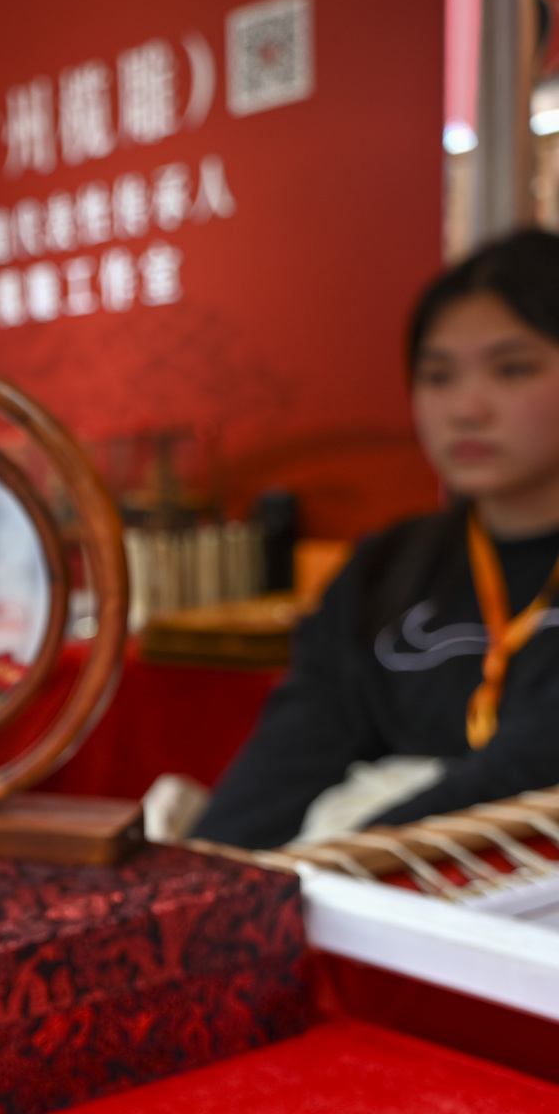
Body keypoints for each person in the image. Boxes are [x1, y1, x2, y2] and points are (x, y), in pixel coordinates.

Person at [195, 229, 559, 849]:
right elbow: (296, 748)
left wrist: (350, 862)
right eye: (438, 377)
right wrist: (205, 880)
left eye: (512, 369)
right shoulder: (384, 568)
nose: (466, 409)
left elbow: (535, 759)